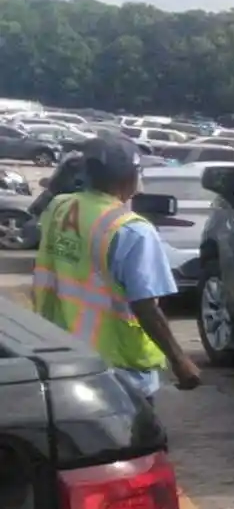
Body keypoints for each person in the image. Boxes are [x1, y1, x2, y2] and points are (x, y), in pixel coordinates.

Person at [32, 136, 201, 402]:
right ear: (130, 176)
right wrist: (180, 361)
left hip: (62, 355)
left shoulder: (60, 208)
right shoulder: (133, 230)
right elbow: (145, 306)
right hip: (119, 368)